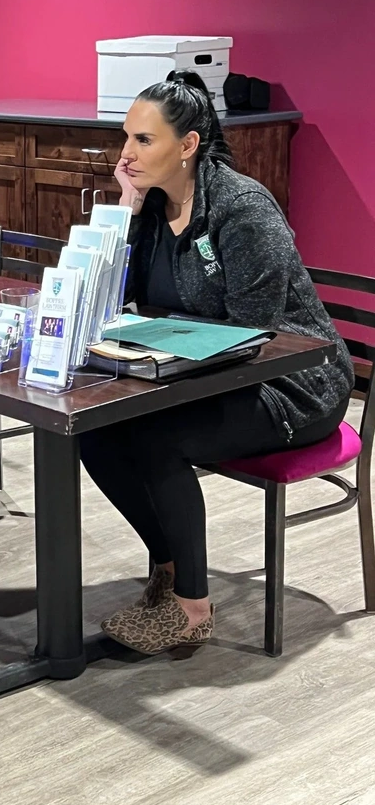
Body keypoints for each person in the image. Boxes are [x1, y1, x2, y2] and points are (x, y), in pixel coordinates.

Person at [80, 70, 353, 655]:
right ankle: (171, 567)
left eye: (143, 141)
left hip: (291, 382)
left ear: (188, 146)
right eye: (125, 137)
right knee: (96, 435)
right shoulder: (153, 206)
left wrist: (164, 358)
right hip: (199, 372)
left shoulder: (242, 208)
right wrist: (127, 209)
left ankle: (191, 610)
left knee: (159, 438)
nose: (126, 154)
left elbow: (253, 336)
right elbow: (112, 301)